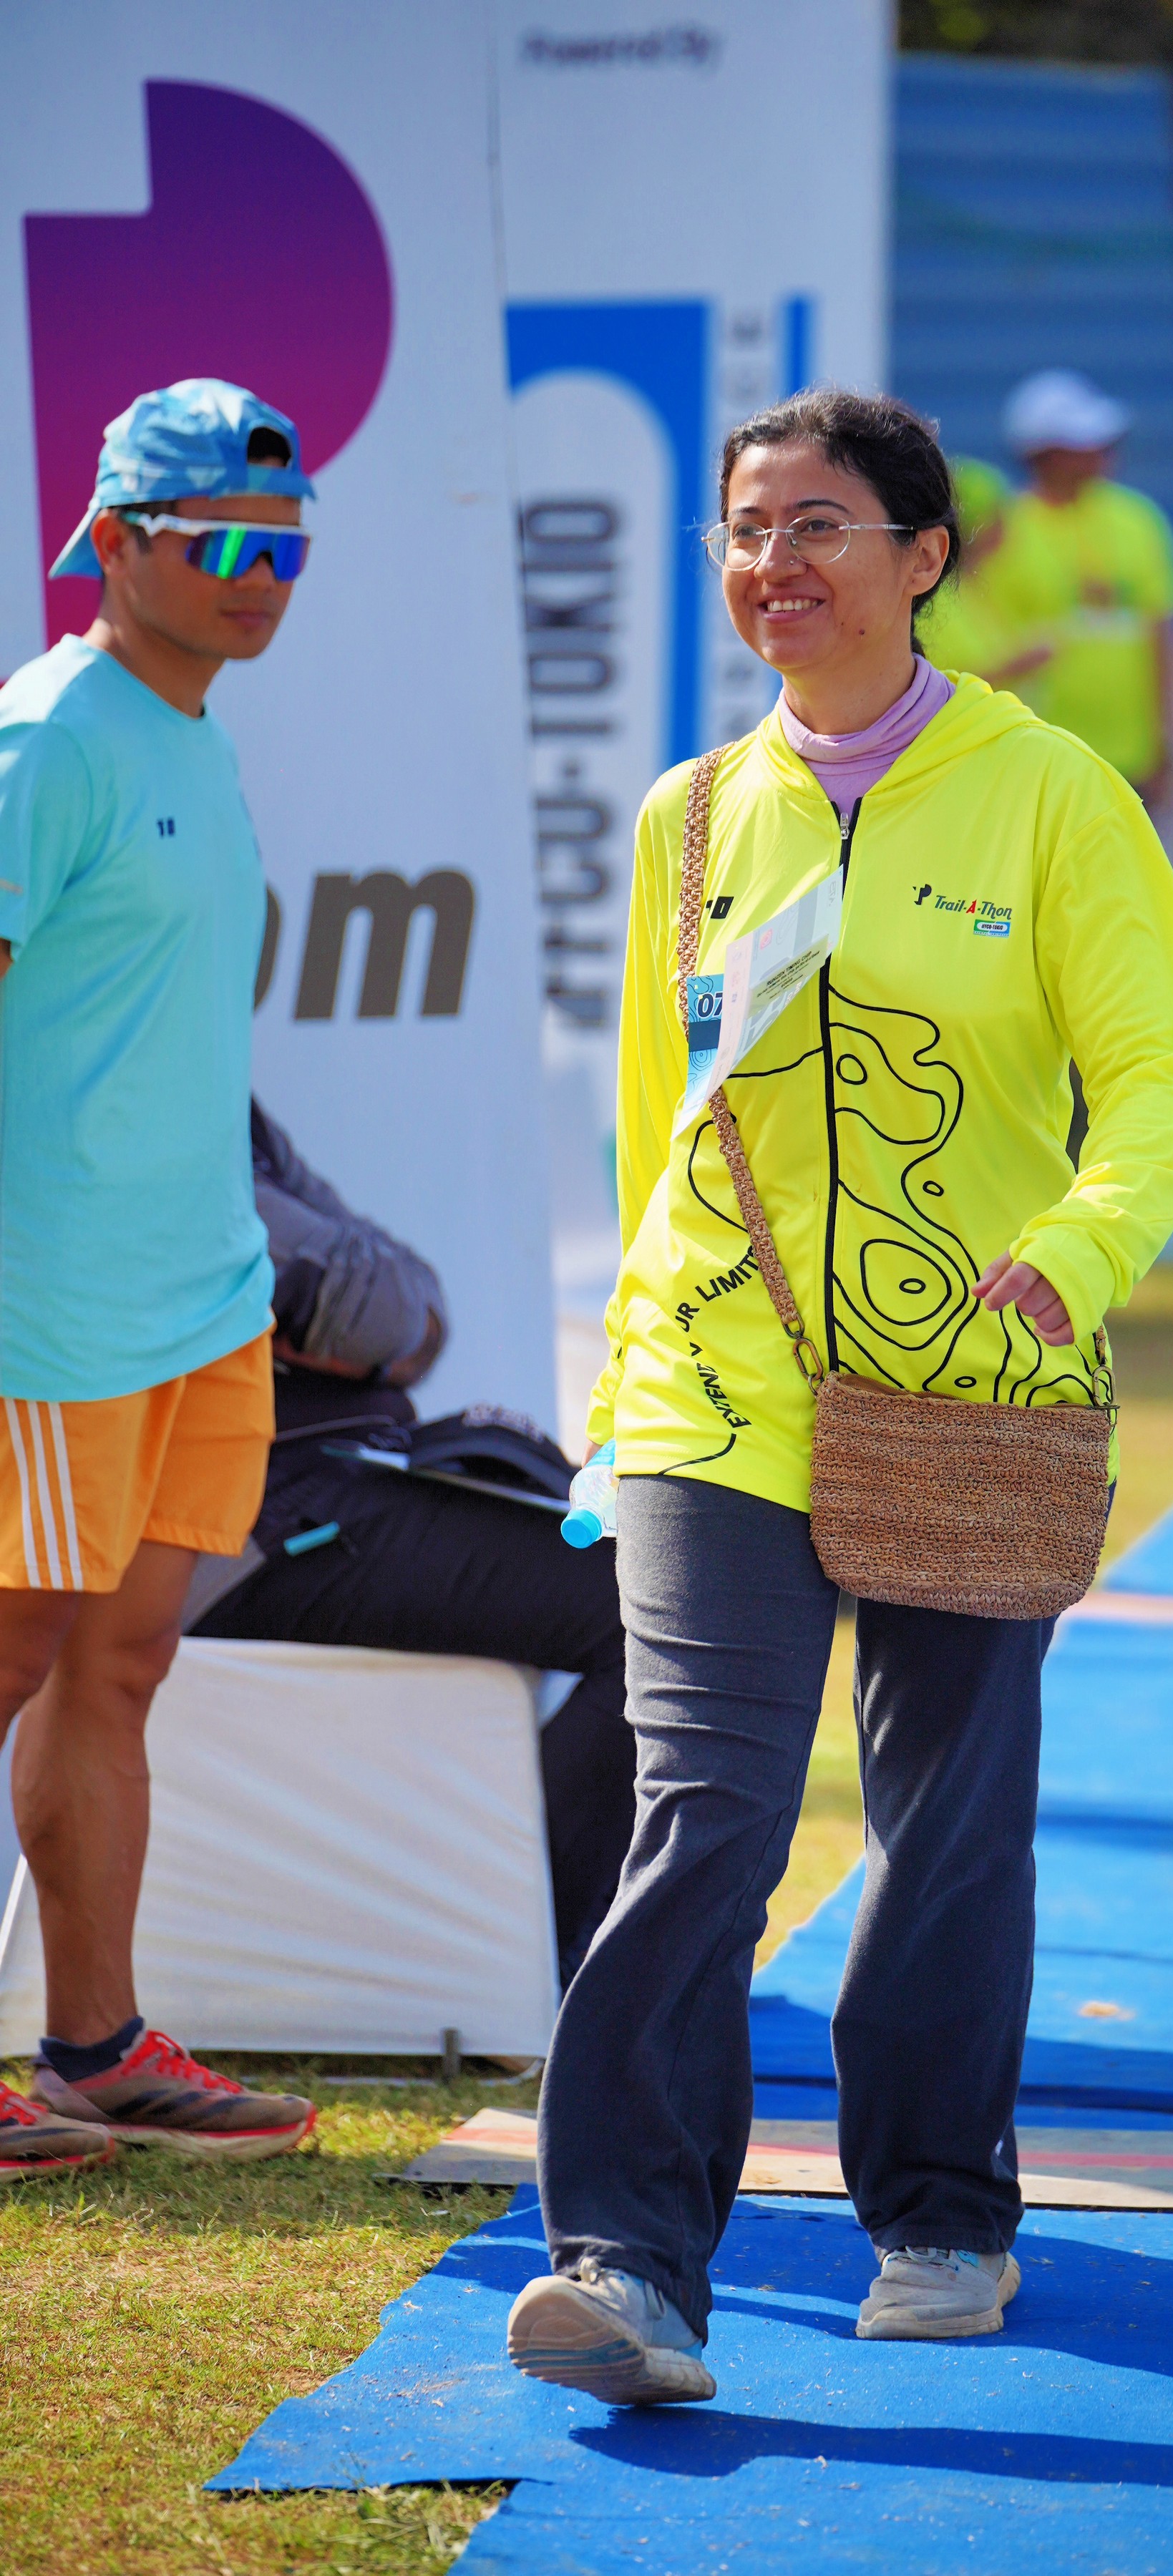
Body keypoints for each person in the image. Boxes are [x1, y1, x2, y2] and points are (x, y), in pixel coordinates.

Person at [505, 389, 1173, 2405]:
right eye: (747, 529)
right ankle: (627, 2262)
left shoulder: (1051, 792)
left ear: (923, 557)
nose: (773, 563)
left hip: (975, 1377)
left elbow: (1155, 1071)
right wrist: (618, 1396)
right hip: (714, 1388)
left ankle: (936, 2210)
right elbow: (662, 1131)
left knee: (943, 1823)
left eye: (818, 524)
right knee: (704, 1807)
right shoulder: (687, 817)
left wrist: (1082, 1245)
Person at [0, 381, 319, 2183]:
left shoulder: (188, 731)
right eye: (221, 546)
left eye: (284, 550)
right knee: (10, 1652)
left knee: (117, 1667)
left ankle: (97, 2046)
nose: (258, 580)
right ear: (117, 542)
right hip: (50, 1311)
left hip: (199, 1300)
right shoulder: (50, 740)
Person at [188, 1105, 635, 1986]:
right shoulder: (155, 1104)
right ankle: (533, 1973)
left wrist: (365, 1314)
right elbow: (385, 1312)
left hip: (333, 1478)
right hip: (248, 1521)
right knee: (637, 1606)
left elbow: (406, 1309)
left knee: (647, 1576)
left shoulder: (225, 1107)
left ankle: (547, 1963)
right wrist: (369, 1316)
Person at [984, 369, 1173, 810]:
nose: (1102, 451)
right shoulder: (1002, 532)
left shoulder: (1139, 520)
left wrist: (1166, 740)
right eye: (1083, 443)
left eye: (1103, 441)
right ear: (1042, 454)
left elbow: (1163, 636)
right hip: (1036, 757)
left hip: (1130, 758)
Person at [915, 457, 1048, 692]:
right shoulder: (935, 597)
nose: (1007, 528)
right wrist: (1016, 667)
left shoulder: (973, 585)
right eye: (997, 517)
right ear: (974, 526)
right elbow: (936, 687)